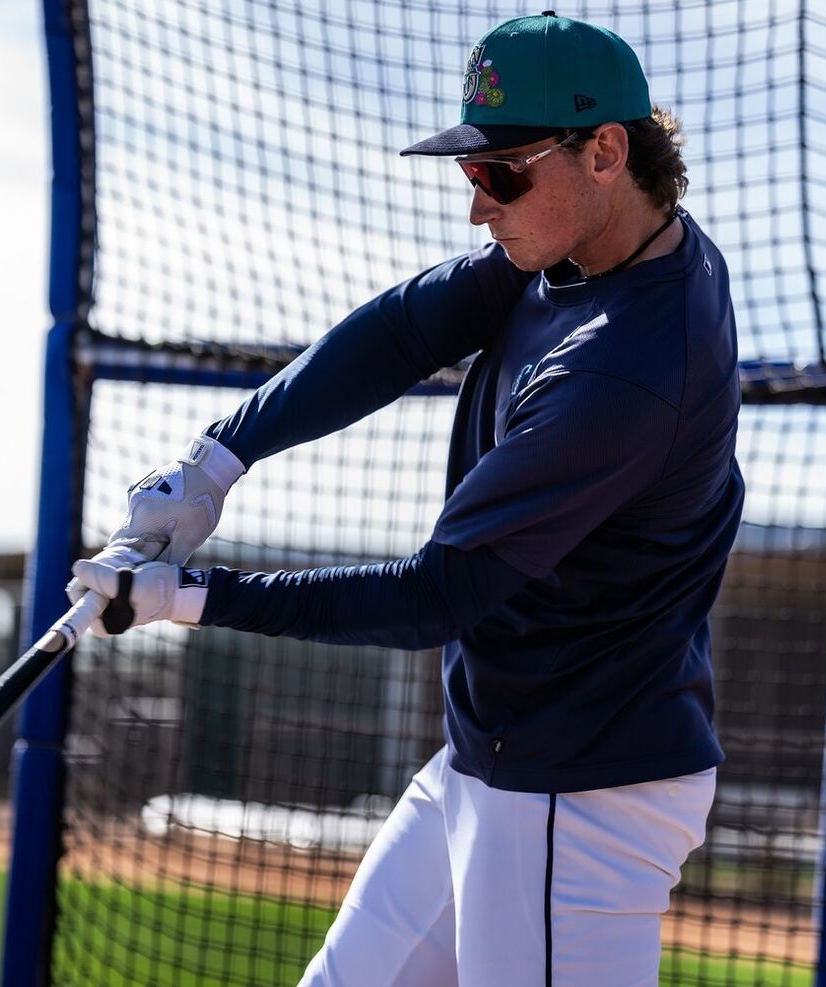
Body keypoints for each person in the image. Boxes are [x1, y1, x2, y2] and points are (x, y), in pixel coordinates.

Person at [68, 11, 744, 985]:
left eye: (503, 173)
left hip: (581, 796)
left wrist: (187, 598)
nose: (480, 207)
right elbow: (399, 332)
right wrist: (219, 461)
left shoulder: (626, 369)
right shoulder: (581, 252)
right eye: (473, 174)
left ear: (606, 151)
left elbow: (436, 596)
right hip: (492, 756)